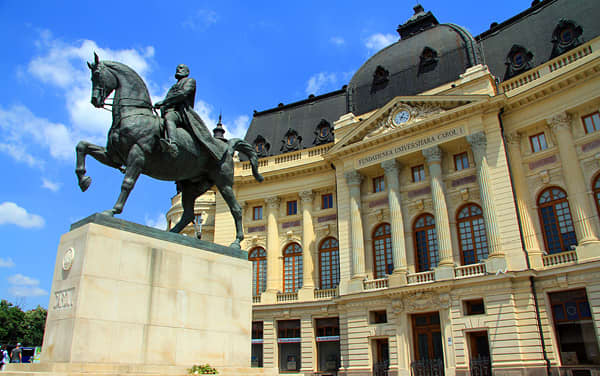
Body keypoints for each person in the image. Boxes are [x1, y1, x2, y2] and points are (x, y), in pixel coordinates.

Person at [154, 64, 224, 160]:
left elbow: (183, 94)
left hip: (181, 113)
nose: (178, 69)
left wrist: (164, 102)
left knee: (169, 117)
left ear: (187, 72)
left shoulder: (190, 81)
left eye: (181, 68)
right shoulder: (174, 86)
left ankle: (173, 144)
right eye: (177, 68)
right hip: (168, 111)